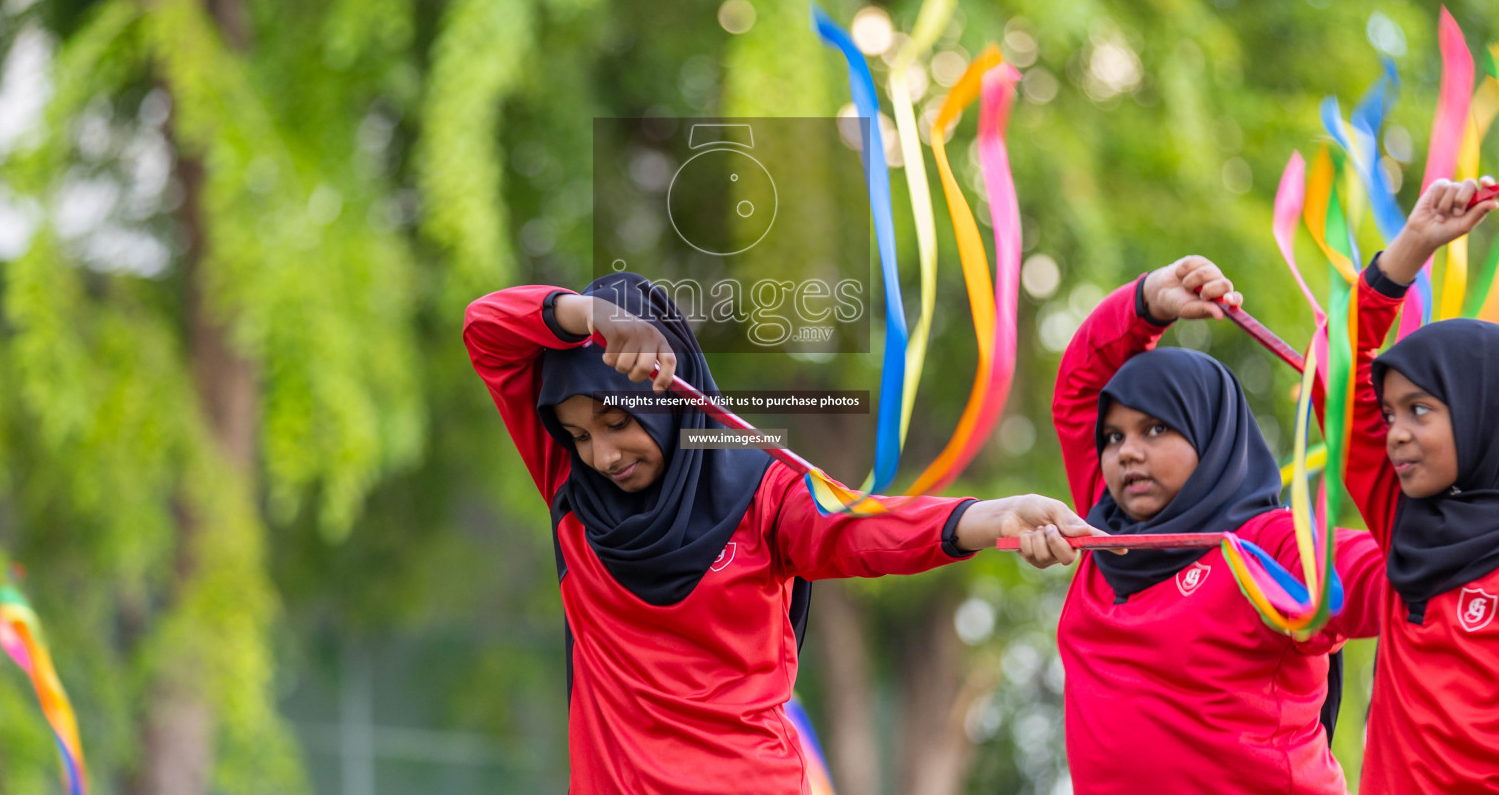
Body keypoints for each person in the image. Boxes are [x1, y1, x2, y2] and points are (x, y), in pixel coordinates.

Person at [465, 270, 1097, 794]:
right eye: (579, 435)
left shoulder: (762, 492)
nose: (602, 454)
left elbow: (862, 530)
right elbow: (485, 329)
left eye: (616, 421)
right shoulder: (571, 491)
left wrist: (992, 518)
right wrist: (590, 314)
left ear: (667, 395)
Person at [1051, 256, 1385, 794]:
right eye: (1113, 438)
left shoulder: (1268, 546)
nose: (1127, 453)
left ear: (1210, 439)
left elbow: (1383, 574)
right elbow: (1078, 389)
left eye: (1156, 428)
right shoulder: (1105, 529)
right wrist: (1145, 303)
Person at [1342, 175, 1499, 794]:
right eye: (1389, 415)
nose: (1396, 433)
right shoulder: (1404, 516)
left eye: (1421, 410)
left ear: (1482, 408)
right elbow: (1341, 374)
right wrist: (1411, 246)